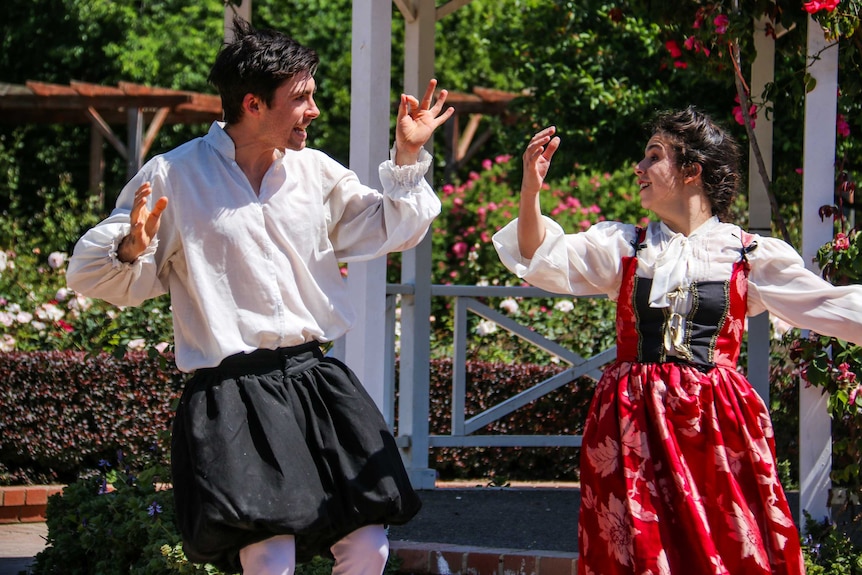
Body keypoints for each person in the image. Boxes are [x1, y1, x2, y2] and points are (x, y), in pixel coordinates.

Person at [67, 17, 454, 575]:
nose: (313, 111)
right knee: (270, 555)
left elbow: (391, 225)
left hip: (312, 382)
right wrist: (131, 248)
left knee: (368, 546)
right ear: (252, 103)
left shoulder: (315, 173)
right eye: (301, 98)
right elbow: (97, 274)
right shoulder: (174, 176)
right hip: (232, 393)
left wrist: (408, 153)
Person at [493, 107, 862, 575]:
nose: (639, 168)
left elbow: (829, 306)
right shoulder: (626, 246)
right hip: (632, 422)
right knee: (640, 556)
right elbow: (538, 255)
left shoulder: (746, 254)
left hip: (717, 422)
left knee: (728, 550)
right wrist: (531, 190)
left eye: (654, 156)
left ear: (692, 171)